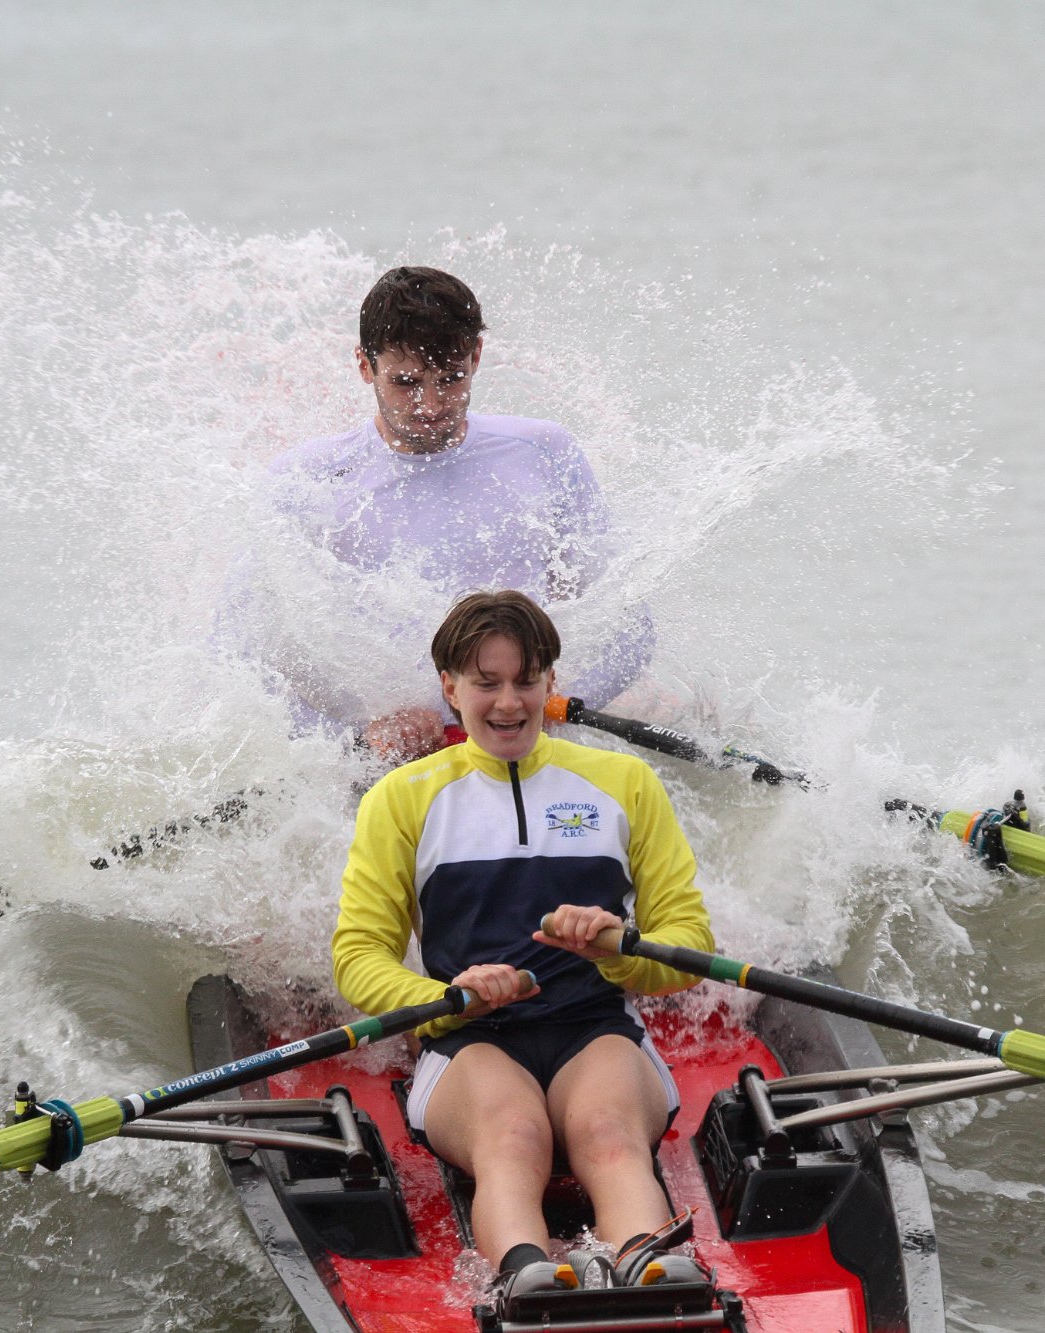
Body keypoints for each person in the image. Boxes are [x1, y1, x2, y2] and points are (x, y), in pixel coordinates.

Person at [331, 589, 713, 1299]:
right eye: (486, 683)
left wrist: (617, 948)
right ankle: (526, 1281)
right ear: (449, 686)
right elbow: (359, 959)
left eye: (525, 681)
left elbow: (688, 942)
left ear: (551, 683)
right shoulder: (401, 798)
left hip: (596, 1029)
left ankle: (652, 1270)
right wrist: (448, 998)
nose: (509, 703)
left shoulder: (626, 783)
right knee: (511, 1136)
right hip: (469, 1043)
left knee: (607, 1133)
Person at [218, 267, 652, 762]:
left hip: (529, 742)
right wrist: (358, 741)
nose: (431, 404)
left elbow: (631, 627)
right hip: (389, 762)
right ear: (364, 365)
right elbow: (237, 652)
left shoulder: (545, 451)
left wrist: (548, 709)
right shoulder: (308, 479)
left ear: (477, 358)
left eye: (451, 378)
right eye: (406, 382)